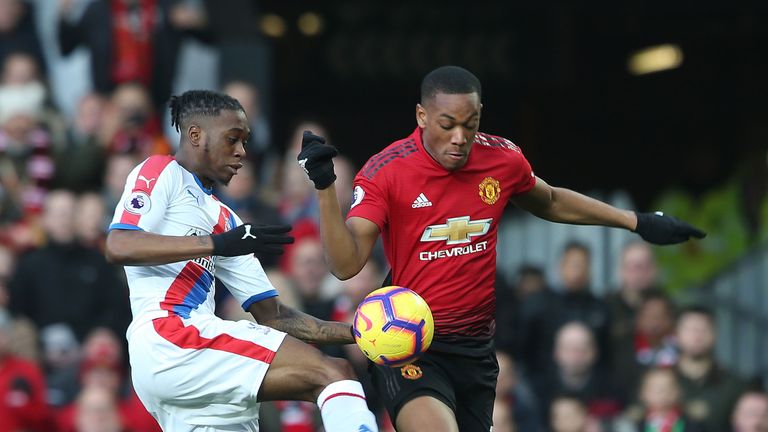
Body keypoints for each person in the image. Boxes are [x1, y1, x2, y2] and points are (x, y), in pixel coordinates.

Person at [297, 65, 706, 431]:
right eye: (447, 124)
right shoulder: (387, 171)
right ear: (421, 117)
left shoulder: (502, 159)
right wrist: (325, 189)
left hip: (476, 350)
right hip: (409, 345)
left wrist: (637, 221)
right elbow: (346, 265)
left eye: (470, 124)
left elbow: (549, 200)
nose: (460, 138)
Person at [104, 90, 379, 432]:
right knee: (335, 375)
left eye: (245, 142)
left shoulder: (226, 219)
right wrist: (216, 244)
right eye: (232, 139)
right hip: (171, 337)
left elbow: (275, 316)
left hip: (183, 372)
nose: (242, 152)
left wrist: (360, 333)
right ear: (195, 135)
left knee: (332, 374)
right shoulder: (162, 171)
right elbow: (118, 244)